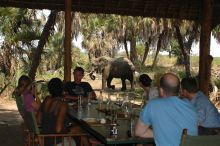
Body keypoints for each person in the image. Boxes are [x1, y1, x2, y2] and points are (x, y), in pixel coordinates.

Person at [135, 73, 198, 146]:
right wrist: (166, 133)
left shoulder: (153, 105)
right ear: (179, 90)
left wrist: (162, 133)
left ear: (161, 91)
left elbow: (139, 132)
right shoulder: (190, 107)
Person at [40, 77, 89, 146]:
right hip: (55, 141)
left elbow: (39, 120)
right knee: (81, 131)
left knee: (78, 131)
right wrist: (70, 130)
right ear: (62, 89)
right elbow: (58, 130)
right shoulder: (63, 105)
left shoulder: (46, 100)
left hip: (45, 138)